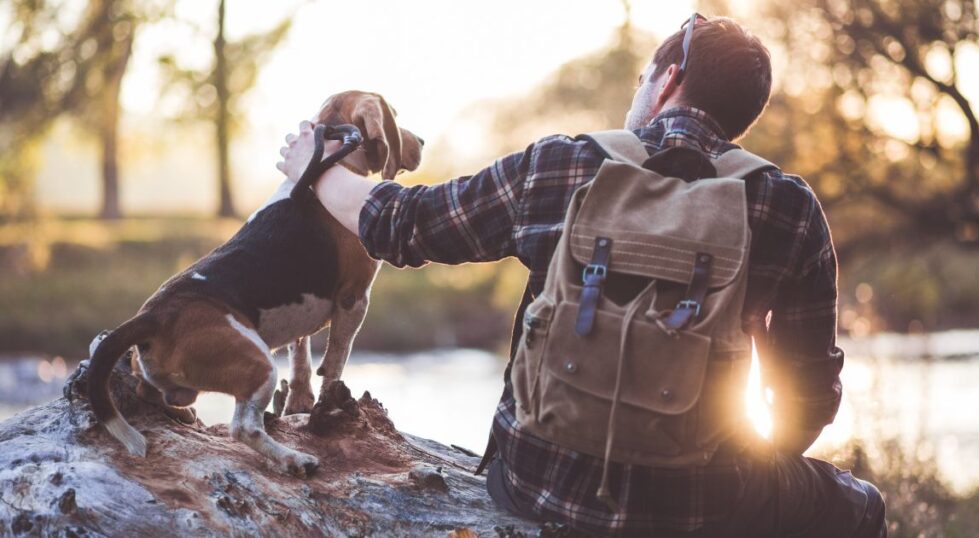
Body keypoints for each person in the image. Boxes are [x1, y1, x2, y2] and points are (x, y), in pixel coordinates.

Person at [279, 15, 886, 538]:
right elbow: (808, 397)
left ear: (667, 80)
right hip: (710, 503)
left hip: (534, 483)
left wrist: (320, 168)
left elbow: (407, 225)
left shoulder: (561, 165)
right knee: (862, 507)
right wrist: (728, 467)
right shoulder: (787, 206)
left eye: (641, 79)